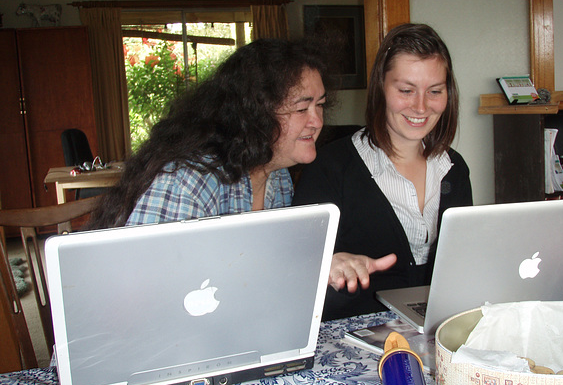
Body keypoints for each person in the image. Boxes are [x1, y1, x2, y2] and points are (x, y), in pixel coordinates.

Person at [88, 38, 393, 287]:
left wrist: (322, 265)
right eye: (302, 109)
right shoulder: (189, 180)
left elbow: (263, 274)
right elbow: (138, 292)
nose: (317, 121)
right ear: (255, 114)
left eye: (320, 105)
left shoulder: (276, 177)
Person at [292, 23, 473, 320]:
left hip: (437, 334)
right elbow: (296, 274)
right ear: (381, 88)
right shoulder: (329, 168)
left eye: (435, 91)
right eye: (406, 90)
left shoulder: (454, 170)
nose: (421, 106)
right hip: (351, 345)